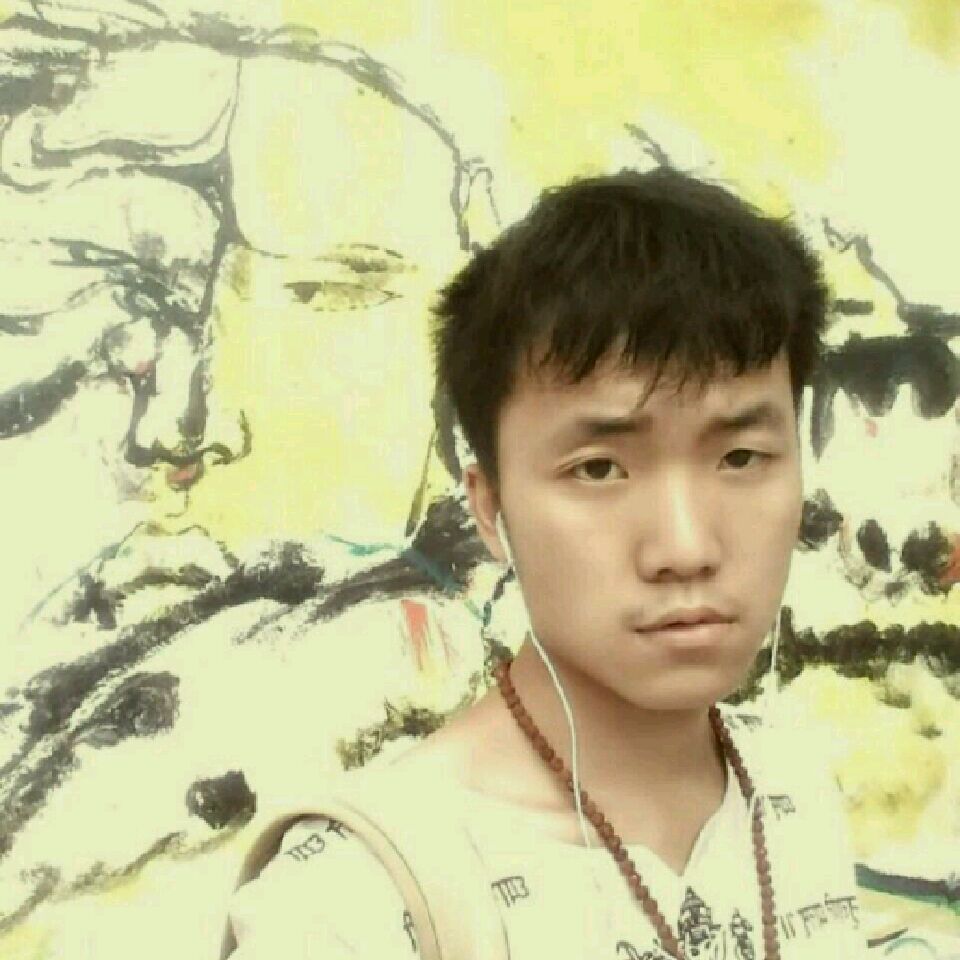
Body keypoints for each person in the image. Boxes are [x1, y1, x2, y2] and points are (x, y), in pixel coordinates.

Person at [222, 167, 871, 958]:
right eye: (599, 469)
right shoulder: (350, 901)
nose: (686, 548)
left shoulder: (794, 789)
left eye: (740, 457)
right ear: (490, 507)